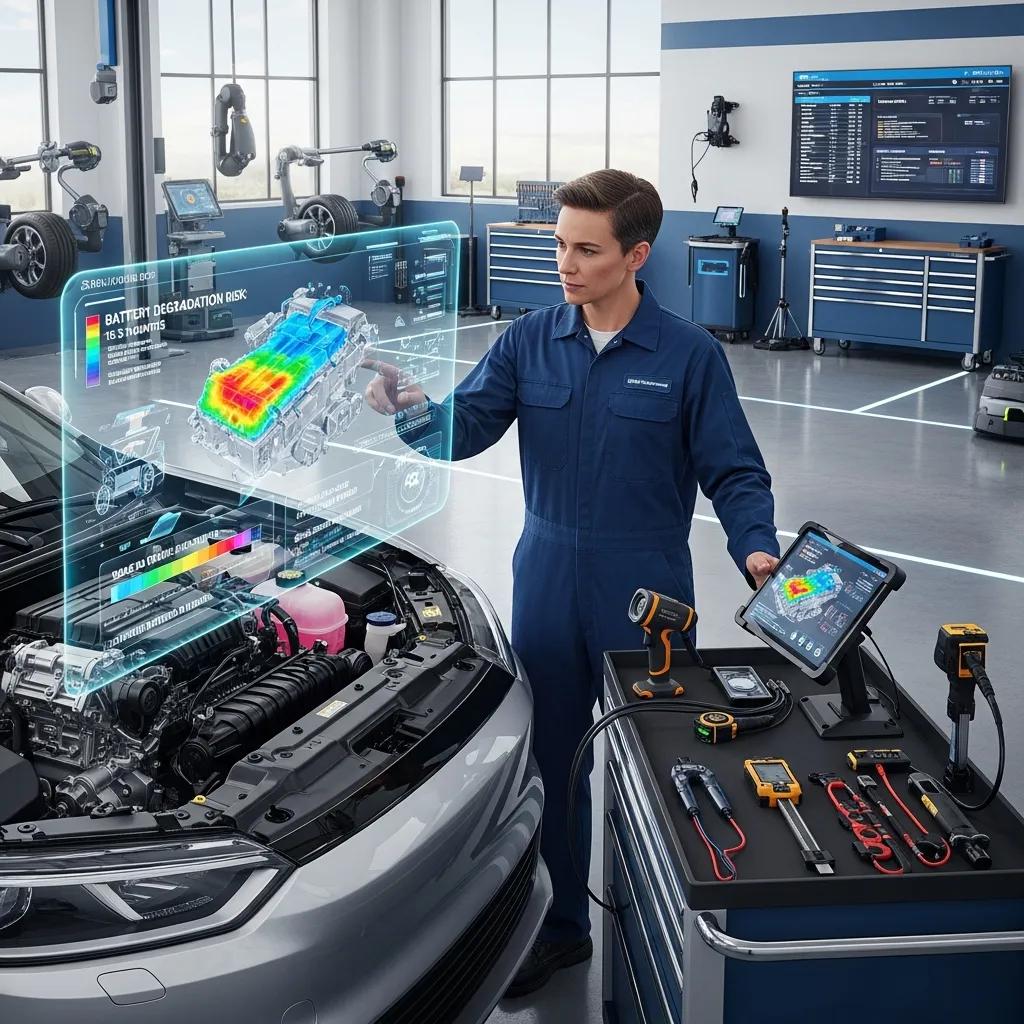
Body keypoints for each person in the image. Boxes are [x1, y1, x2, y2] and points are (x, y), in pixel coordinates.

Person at [364, 169, 779, 997]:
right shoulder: (529, 340)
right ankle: (562, 931)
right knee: (553, 764)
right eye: (559, 244)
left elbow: (734, 471)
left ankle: (668, 931)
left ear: (636, 256)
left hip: (647, 592)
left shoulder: (689, 356)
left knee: (660, 767)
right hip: (547, 578)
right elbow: (466, 427)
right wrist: (411, 407)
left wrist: (758, 549)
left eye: (586, 249)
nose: (565, 262)